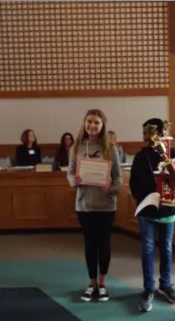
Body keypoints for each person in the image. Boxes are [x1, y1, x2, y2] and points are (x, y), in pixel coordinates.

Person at [67, 109, 122, 302]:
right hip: (84, 205)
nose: (92, 125)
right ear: (84, 124)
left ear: (103, 125)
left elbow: (118, 178)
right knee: (90, 246)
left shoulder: (111, 149)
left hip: (106, 206)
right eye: (89, 121)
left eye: (97, 122)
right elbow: (70, 173)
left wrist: (111, 189)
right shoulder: (76, 147)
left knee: (104, 245)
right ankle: (91, 283)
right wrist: (74, 180)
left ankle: (103, 283)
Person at [129, 118, 175, 313]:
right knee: (148, 248)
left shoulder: (172, 154)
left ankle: (166, 284)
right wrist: (146, 199)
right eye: (144, 132)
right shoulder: (141, 156)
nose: (145, 136)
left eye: (149, 132)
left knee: (167, 248)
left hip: (168, 209)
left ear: (160, 133)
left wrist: (170, 196)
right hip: (147, 209)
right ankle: (148, 288)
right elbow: (134, 183)